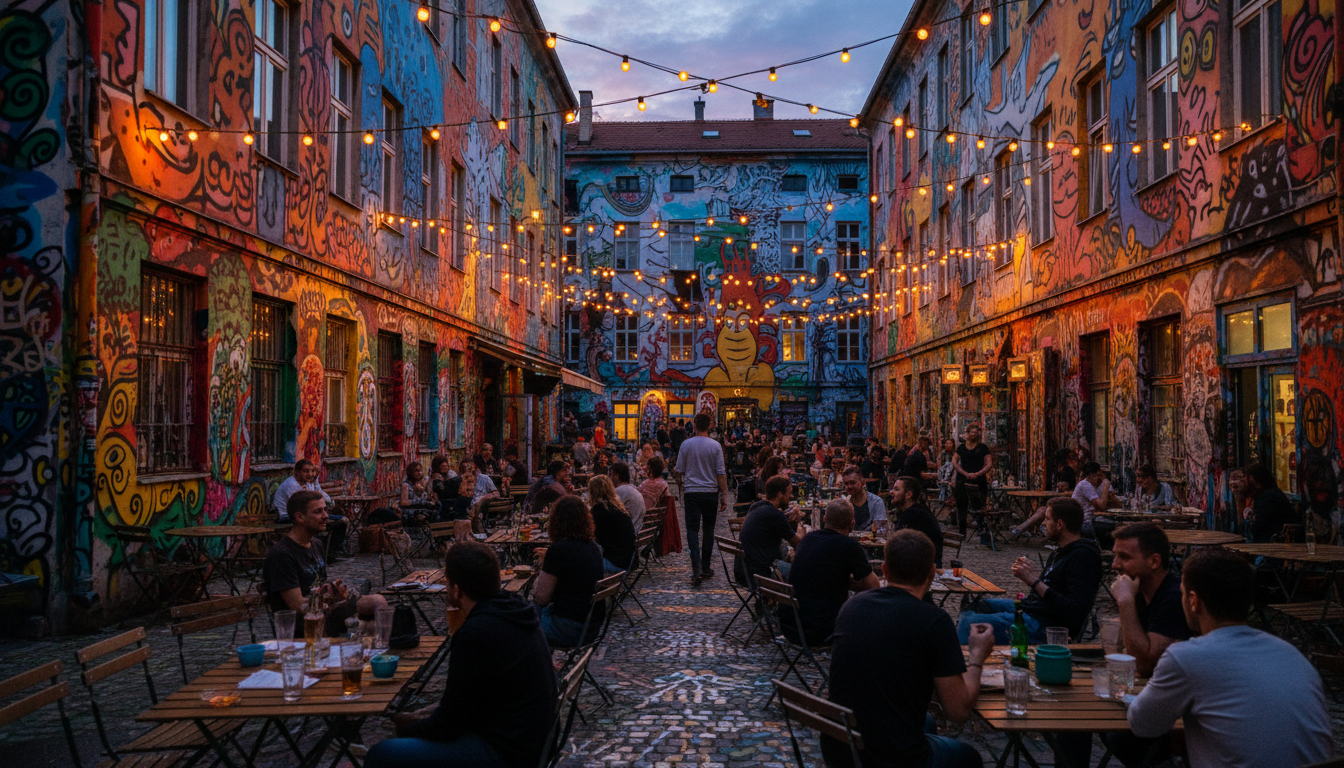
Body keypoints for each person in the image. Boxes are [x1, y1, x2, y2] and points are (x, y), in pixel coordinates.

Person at [1126, 548, 1333, 768]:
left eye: (1183, 593)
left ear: (1194, 600)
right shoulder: (1290, 654)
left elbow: (1143, 726)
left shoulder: (1187, 656)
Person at [369, 542, 556, 768]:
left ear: (456, 589)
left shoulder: (475, 633)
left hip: (507, 753)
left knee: (381, 754)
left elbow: (448, 725)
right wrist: (429, 713)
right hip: (533, 741)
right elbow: (465, 701)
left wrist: (408, 728)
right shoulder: (515, 610)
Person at [825, 529, 993, 768]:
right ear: (932, 573)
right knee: (969, 757)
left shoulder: (852, 606)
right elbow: (958, 712)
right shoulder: (934, 622)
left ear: (884, 569)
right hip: (890, 758)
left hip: (840, 748)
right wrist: (977, 655)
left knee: (927, 724)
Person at [1055, 522, 1194, 768]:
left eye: (1124, 557)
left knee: (1098, 727)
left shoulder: (1172, 597)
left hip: (1179, 715)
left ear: (1153, 561)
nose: (1115, 564)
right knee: (1072, 718)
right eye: (1115, 555)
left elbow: (1143, 663)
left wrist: (1126, 602)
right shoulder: (1142, 589)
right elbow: (1122, 651)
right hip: (1145, 693)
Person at [958, 497, 1101, 643]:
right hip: (1032, 610)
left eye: (1047, 519)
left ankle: (967, 662)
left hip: (1045, 626)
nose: (1043, 523)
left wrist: (1033, 581)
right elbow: (1051, 590)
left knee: (969, 623)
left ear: (1059, 524)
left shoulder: (1083, 556)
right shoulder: (1059, 552)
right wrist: (1031, 574)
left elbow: (1074, 610)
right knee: (977, 606)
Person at [263, 490, 387, 638]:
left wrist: (335, 592)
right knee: (375, 607)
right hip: (304, 622)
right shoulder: (282, 555)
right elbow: (297, 606)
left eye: (325, 510)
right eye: (318, 512)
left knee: (378, 608)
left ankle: (376, 652)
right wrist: (331, 599)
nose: (326, 516)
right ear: (300, 517)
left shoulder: (316, 544)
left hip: (325, 609)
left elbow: (320, 585)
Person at [785, 498, 879, 644]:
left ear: (824, 519)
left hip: (791, 626)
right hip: (822, 630)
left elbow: (820, 574)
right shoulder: (849, 546)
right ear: (852, 524)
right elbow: (874, 586)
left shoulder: (808, 539)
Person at [532, 495, 604, 647]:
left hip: (567, 627)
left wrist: (542, 570)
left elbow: (541, 598)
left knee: (520, 620)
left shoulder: (558, 551)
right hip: (591, 626)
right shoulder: (593, 547)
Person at [673, 412, 728, 585]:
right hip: (710, 492)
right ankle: (706, 567)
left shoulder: (686, 444)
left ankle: (695, 568)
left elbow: (679, 469)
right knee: (709, 530)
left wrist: (681, 480)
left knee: (692, 530)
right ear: (710, 426)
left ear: (694, 426)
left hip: (692, 492)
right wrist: (724, 494)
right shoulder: (715, 446)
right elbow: (721, 472)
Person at [272, 459, 348, 560]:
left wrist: (316, 483)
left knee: (343, 521)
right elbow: (304, 505)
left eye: (312, 471)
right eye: (306, 471)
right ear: (297, 472)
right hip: (288, 517)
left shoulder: (307, 483)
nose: (310, 474)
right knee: (325, 522)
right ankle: (321, 553)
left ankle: (331, 551)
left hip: (305, 514)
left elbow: (322, 497)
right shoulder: (291, 485)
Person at [739, 475, 803, 584]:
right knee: (804, 573)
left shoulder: (757, 506)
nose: (791, 496)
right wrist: (801, 525)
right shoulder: (774, 514)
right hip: (764, 572)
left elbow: (779, 528)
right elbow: (799, 541)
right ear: (779, 494)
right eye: (789, 493)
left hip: (746, 570)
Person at [586, 475, 637, 575]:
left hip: (615, 564)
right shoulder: (617, 507)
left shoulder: (600, 510)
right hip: (628, 561)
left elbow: (591, 537)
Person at [889, 475, 944, 567]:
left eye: (896, 489)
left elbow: (901, 546)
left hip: (922, 568)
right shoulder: (913, 511)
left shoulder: (914, 515)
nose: (891, 492)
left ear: (908, 495)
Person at [952, 424, 993, 538]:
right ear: (968, 433)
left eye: (976, 432)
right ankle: (962, 532)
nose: (974, 434)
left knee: (979, 505)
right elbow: (954, 461)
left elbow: (989, 463)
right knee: (961, 505)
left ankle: (981, 530)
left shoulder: (983, 447)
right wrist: (964, 473)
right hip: (963, 479)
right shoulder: (961, 448)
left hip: (978, 479)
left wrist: (978, 473)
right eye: (972, 432)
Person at [1243, 463, 1299, 542]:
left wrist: (1239, 498)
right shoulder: (1268, 494)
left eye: (1245, 480)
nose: (1244, 484)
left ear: (1252, 479)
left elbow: (1254, 529)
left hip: (1274, 547)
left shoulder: (1268, 497)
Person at [840, 466, 888, 532]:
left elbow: (882, 530)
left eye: (852, 483)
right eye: (846, 484)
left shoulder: (876, 502)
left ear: (862, 482)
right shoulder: (845, 503)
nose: (849, 486)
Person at [610, 462, 647, 532]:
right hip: (637, 531)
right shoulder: (632, 489)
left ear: (616, 476)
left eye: (611, 474)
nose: (610, 478)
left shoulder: (620, 491)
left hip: (629, 535)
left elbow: (608, 511)